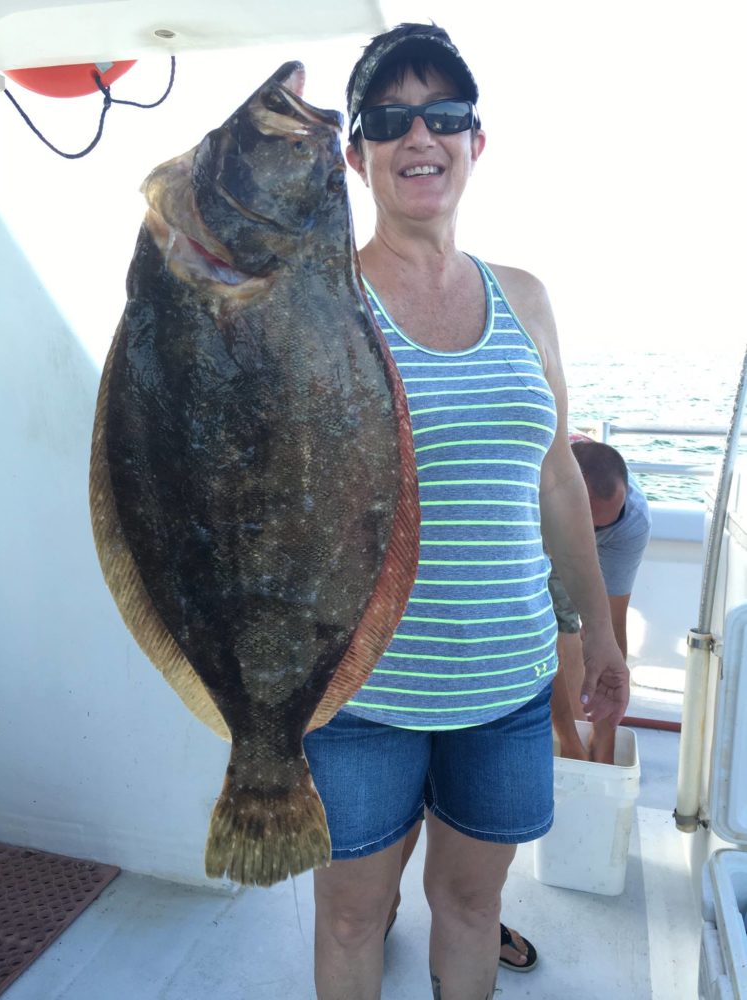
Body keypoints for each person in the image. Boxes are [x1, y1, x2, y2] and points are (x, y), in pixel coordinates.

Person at [302, 22, 629, 1000]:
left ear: (475, 143)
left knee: (471, 907)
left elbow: (558, 478)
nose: (420, 136)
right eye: (391, 119)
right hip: (361, 695)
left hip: (508, 685)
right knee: (356, 914)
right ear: (357, 153)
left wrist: (602, 637)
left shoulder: (526, 299)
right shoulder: (318, 302)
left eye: (444, 115)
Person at [548, 435, 652, 763]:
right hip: (548, 527)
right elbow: (538, 635)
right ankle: (568, 738)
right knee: (561, 630)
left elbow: (611, 626)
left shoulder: (631, 520)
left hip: (568, 517)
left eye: (603, 525)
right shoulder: (536, 499)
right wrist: (568, 735)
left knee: (597, 633)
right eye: (588, 524)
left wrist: (605, 732)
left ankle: (593, 739)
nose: (590, 538)